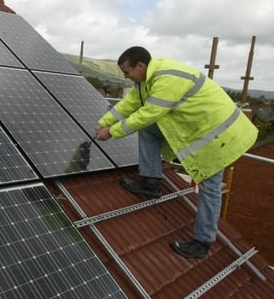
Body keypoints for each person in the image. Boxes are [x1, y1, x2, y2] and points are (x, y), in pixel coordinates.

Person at [94, 46, 258, 259]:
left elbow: (149, 113)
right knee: (148, 131)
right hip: (199, 128)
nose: (126, 76)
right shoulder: (146, 80)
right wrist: (102, 123)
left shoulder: (166, 79)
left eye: (127, 72)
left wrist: (112, 132)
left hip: (220, 136)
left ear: (140, 65)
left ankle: (203, 241)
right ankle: (151, 182)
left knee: (210, 188)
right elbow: (128, 104)